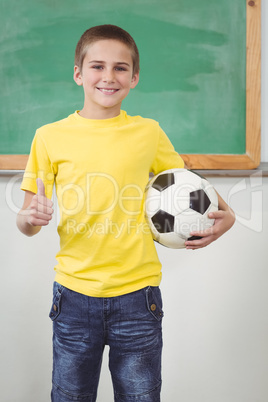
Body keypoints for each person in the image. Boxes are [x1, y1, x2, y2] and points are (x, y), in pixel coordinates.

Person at [17, 24, 235, 402]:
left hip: (138, 298)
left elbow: (184, 183)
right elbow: (25, 222)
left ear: (134, 78)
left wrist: (227, 215)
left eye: (120, 68)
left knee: (141, 396)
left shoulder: (148, 133)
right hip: (73, 295)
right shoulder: (49, 137)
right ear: (78, 74)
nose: (108, 76)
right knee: (69, 395)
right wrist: (30, 219)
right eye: (97, 66)